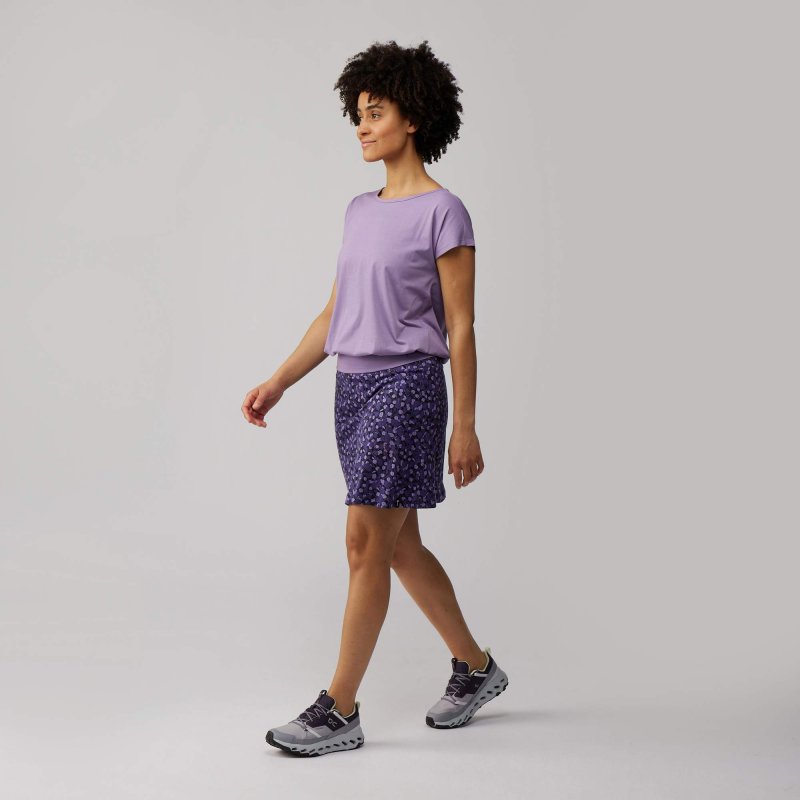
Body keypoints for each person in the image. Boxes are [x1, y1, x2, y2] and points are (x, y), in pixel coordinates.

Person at [241, 39, 508, 757]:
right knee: (398, 546)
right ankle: (476, 668)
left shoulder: (444, 212)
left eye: (375, 112)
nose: (361, 126)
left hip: (407, 387)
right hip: (351, 390)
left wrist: (465, 425)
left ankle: (340, 709)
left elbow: (461, 326)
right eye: (357, 114)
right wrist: (278, 380)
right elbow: (335, 314)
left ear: (412, 117)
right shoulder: (360, 210)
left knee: (364, 543)